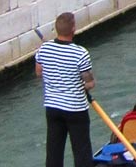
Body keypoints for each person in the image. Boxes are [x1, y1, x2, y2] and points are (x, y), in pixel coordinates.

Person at [35, 12, 95, 167]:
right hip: (75, 109)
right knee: (82, 152)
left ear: (56, 29)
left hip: (52, 107)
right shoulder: (81, 53)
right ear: (73, 29)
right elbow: (89, 83)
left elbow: (39, 73)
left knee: (54, 151)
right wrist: (83, 84)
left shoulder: (44, 49)